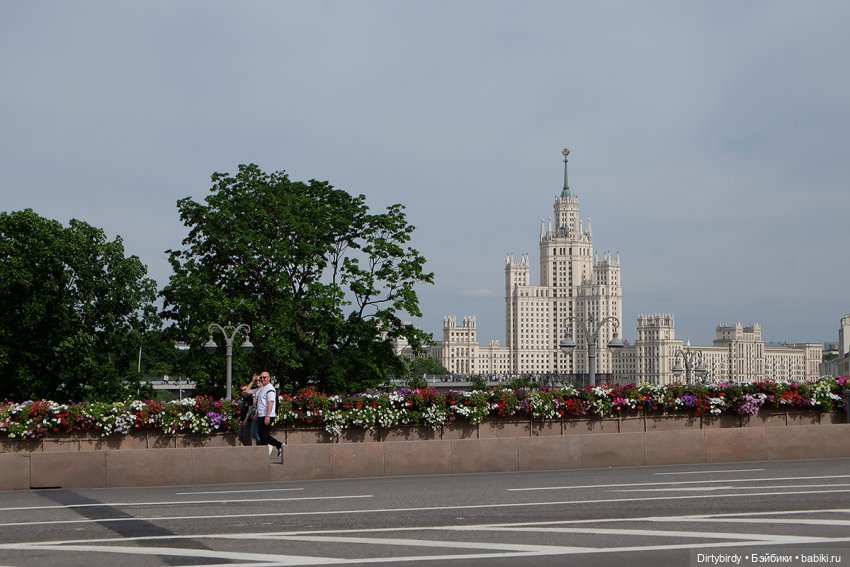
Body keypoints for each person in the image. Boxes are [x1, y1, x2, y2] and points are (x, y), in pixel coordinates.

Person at [254, 371, 283, 459]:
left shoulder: (270, 388)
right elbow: (261, 403)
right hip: (261, 414)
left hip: (267, 415)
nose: (262, 379)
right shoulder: (262, 389)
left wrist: (267, 416)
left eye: (264, 377)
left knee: (263, 434)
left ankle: (275, 447)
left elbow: (270, 402)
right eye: (261, 378)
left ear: (269, 378)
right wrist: (257, 413)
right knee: (262, 434)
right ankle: (279, 446)